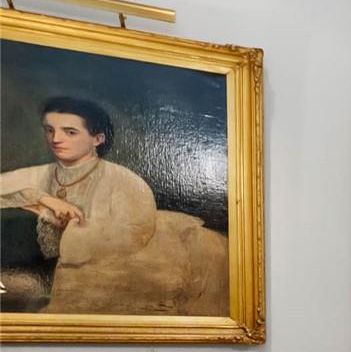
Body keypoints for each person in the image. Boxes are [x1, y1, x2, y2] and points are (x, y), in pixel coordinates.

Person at [0, 95, 228, 316]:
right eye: (49, 130)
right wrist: (43, 199)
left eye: (70, 132)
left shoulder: (123, 181)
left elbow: (133, 235)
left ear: (97, 138)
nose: (55, 139)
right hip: (40, 270)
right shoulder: (45, 173)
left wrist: (64, 224)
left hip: (108, 273)